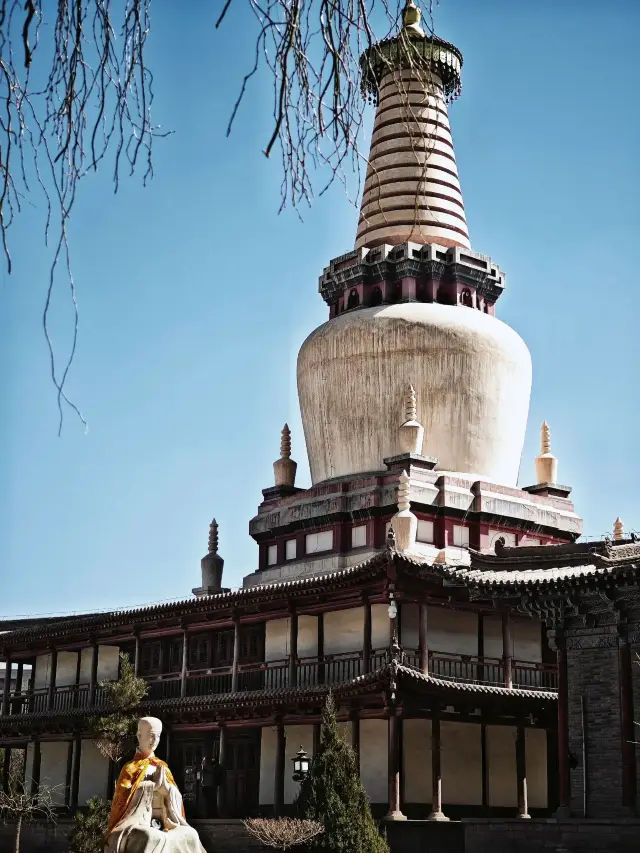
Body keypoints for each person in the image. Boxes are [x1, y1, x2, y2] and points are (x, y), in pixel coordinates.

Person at [104, 716, 206, 853]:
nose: (154, 740)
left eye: (157, 736)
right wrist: (150, 787)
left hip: (165, 820)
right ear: (139, 736)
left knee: (191, 834)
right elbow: (122, 799)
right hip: (137, 822)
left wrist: (167, 790)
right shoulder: (129, 768)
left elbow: (176, 797)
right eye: (151, 736)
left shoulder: (162, 767)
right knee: (150, 836)